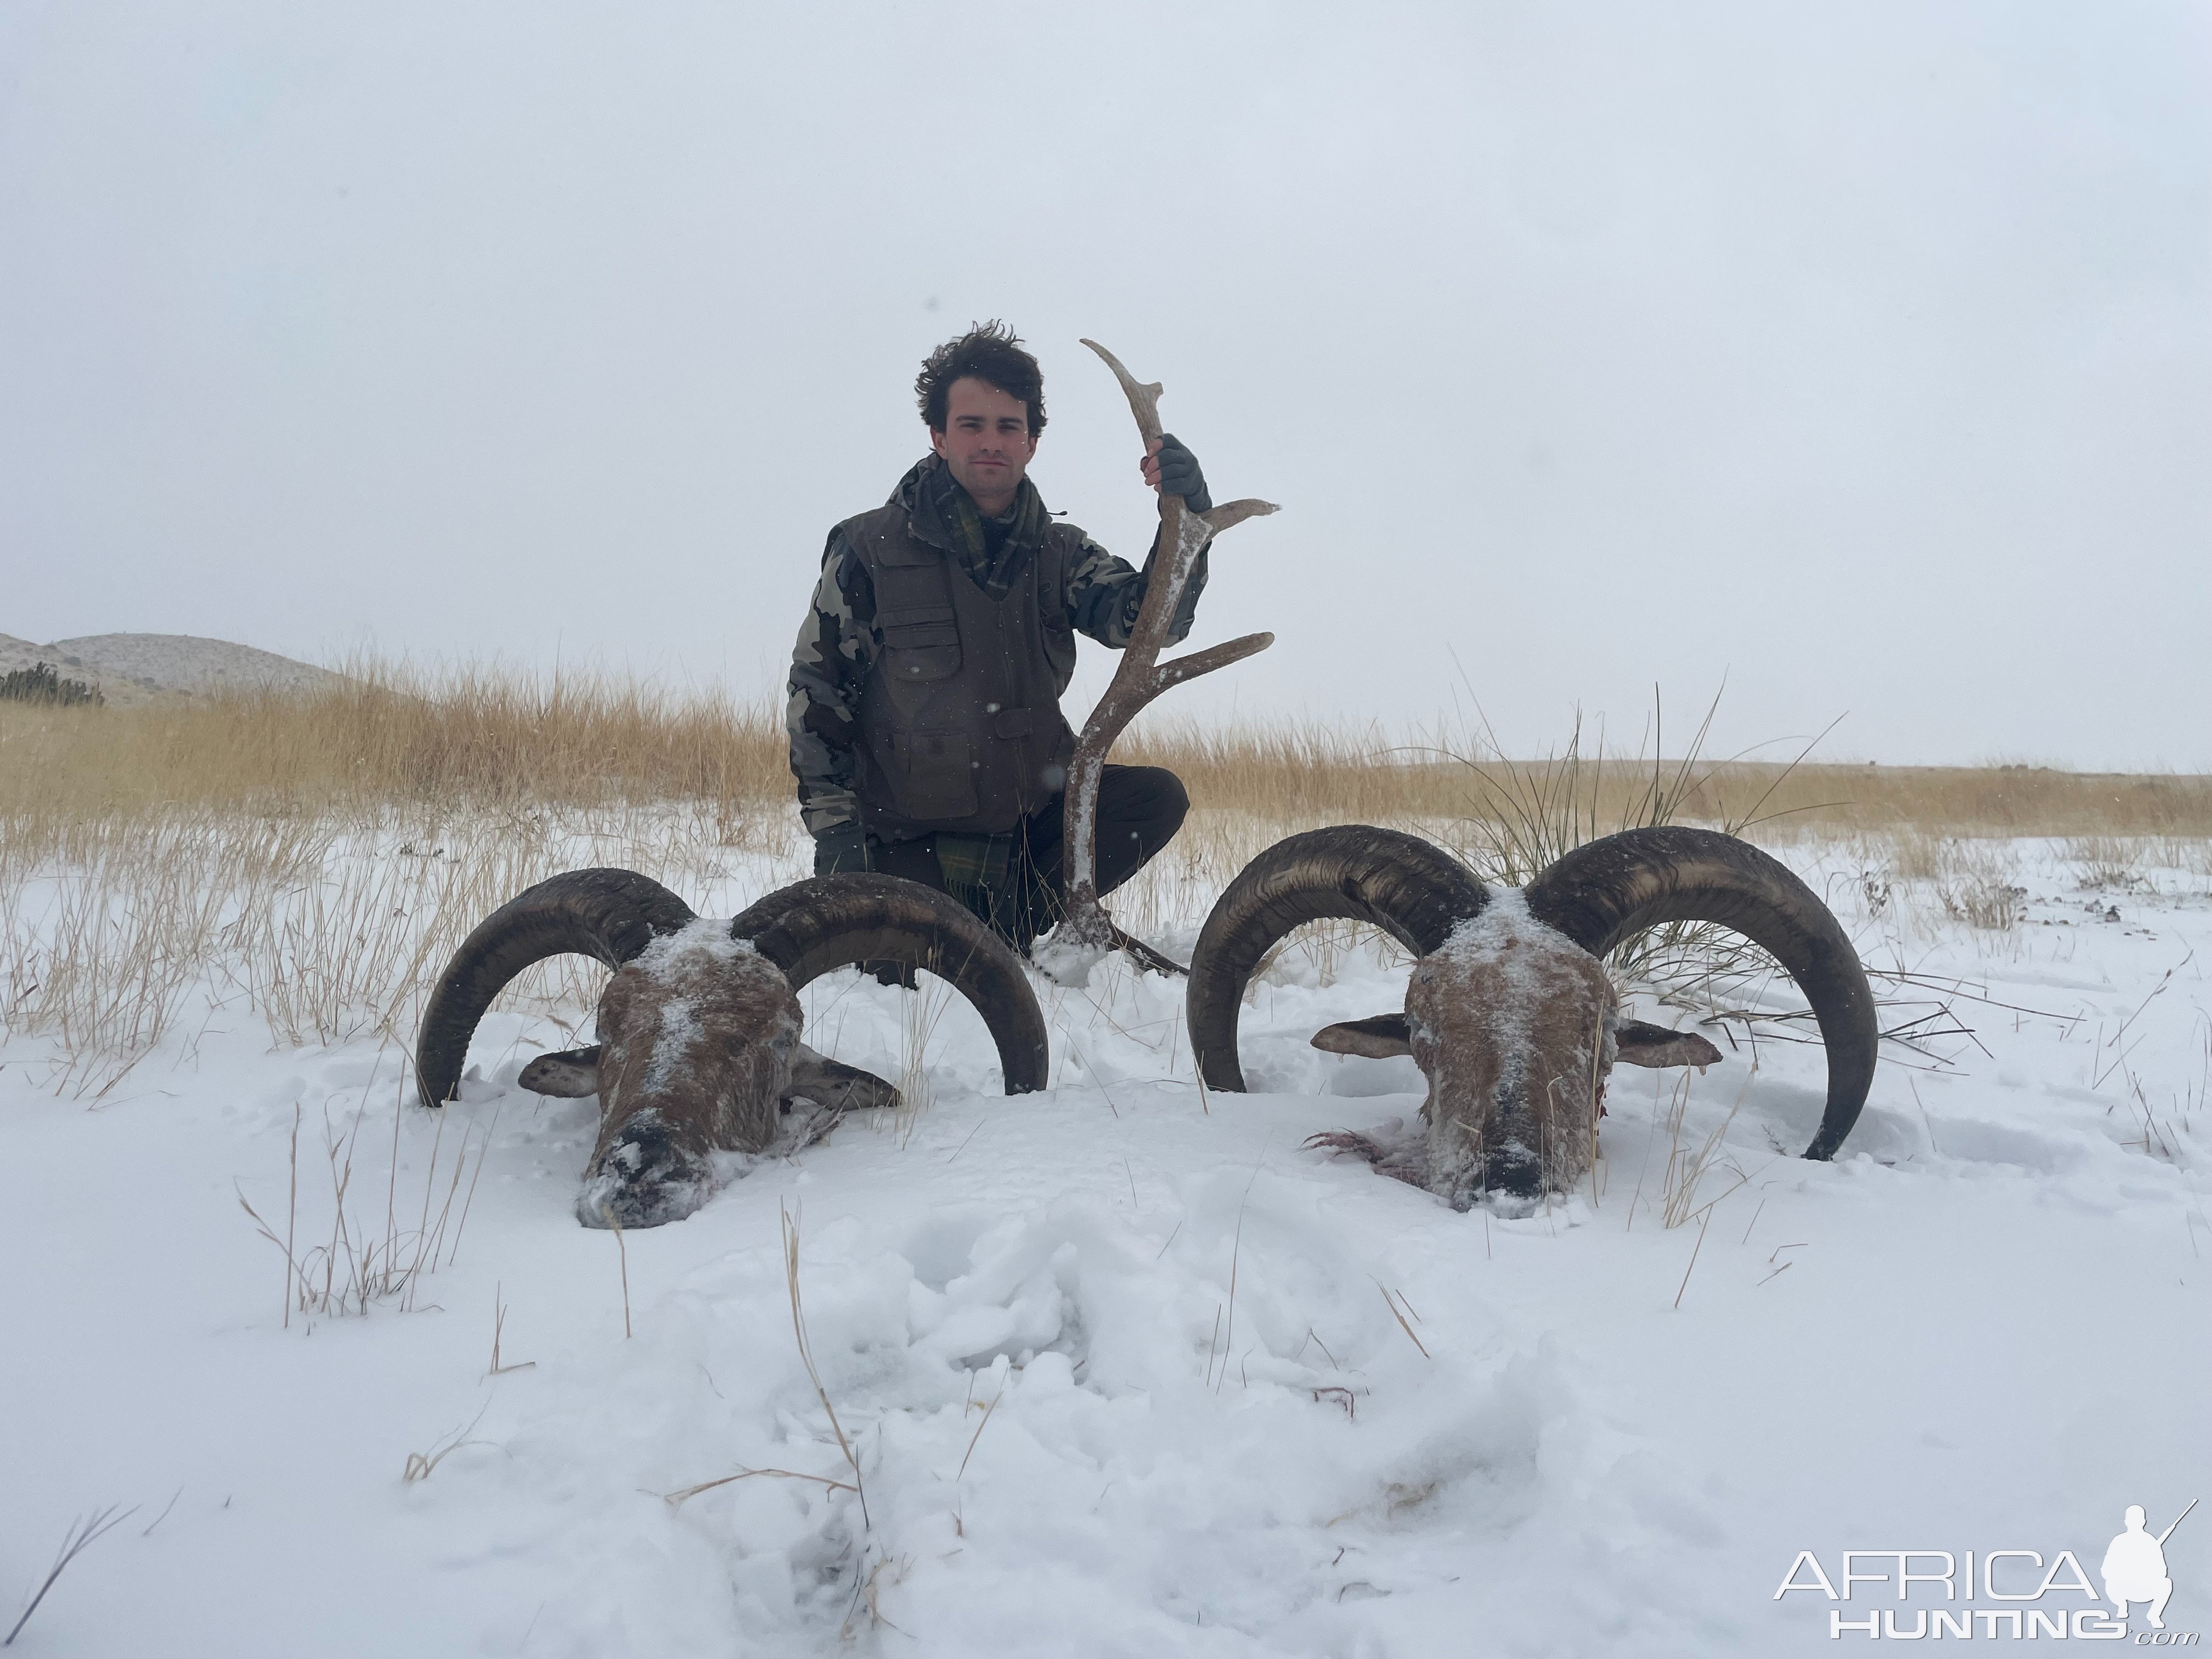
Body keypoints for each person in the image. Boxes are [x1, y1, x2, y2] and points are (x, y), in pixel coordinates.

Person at [786, 322, 1215, 953]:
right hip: (910, 842)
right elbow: (818, 695)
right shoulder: (866, 550)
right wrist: (839, 842)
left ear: (1032, 442)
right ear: (938, 436)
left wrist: (1188, 519)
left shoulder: (1061, 554)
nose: (992, 442)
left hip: (1031, 828)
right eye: (972, 425)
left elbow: (1153, 621)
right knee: (910, 977)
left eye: (1009, 427)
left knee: (1154, 799)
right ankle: (982, 931)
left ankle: (1011, 923)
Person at [2101, 1505, 2174, 1628]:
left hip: (2145, 1589)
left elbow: (2163, 1571)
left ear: (2144, 1522)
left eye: (2137, 1520)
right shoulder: (2119, 1541)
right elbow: (2106, 1570)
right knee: (2110, 1583)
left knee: (2167, 1583)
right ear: (2126, 1522)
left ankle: (2154, 1615)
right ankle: (2122, 1606)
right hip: (2123, 1589)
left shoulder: (2151, 1542)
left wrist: (2146, 1570)